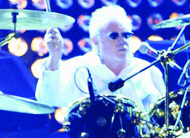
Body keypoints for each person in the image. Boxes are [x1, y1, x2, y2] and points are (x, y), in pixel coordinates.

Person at [35, 4, 164, 112]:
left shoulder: (147, 70)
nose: (122, 40)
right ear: (95, 41)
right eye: (114, 36)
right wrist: (54, 57)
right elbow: (47, 99)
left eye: (126, 35)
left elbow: (164, 117)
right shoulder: (78, 68)